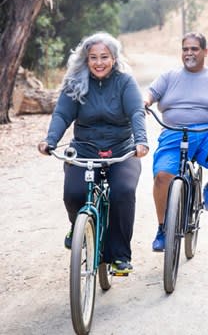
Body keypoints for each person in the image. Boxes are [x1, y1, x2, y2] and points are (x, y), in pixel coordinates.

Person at [38, 32, 149, 274]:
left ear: (114, 58)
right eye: (93, 57)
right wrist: (51, 140)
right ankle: (77, 226)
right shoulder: (75, 82)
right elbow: (62, 115)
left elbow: (136, 113)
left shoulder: (125, 82)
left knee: (123, 191)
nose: (99, 62)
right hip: (85, 149)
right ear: (86, 60)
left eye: (104, 57)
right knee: (73, 192)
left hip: (121, 149)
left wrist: (141, 141)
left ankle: (119, 255)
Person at [144, 32, 208, 252]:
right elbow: (150, 93)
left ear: (205, 52)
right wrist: (145, 101)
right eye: (185, 49)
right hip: (174, 132)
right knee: (162, 177)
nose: (189, 53)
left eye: (194, 49)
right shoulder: (169, 77)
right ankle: (162, 228)